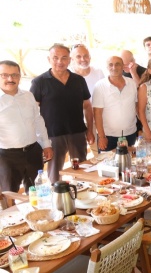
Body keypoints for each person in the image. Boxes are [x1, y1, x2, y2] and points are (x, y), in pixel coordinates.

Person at [31, 44, 94, 182]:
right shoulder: (39, 82)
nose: (60, 61)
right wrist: (39, 138)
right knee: (54, 173)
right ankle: (57, 194)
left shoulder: (79, 80)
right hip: (52, 135)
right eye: (55, 58)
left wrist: (90, 130)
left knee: (82, 170)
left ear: (70, 60)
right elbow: (32, 112)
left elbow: (87, 106)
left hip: (77, 133)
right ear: (49, 59)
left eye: (64, 58)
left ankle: (82, 193)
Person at [0, 60, 52, 192]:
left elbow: (38, 120)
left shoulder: (28, 96)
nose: (10, 79)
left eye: (14, 75)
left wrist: (46, 144)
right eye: (4, 75)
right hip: (7, 156)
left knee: (37, 190)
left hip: (33, 152)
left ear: (19, 77)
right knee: (9, 193)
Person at [93, 56, 138, 151]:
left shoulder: (132, 83)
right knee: (107, 161)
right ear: (107, 67)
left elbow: (137, 107)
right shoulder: (99, 86)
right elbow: (97, 113)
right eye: (111, 65)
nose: (114, 67)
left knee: (131, 160)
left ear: (123, 66)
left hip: (130, 134)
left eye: (117, 64)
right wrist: (101, 136)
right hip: (108, 136)